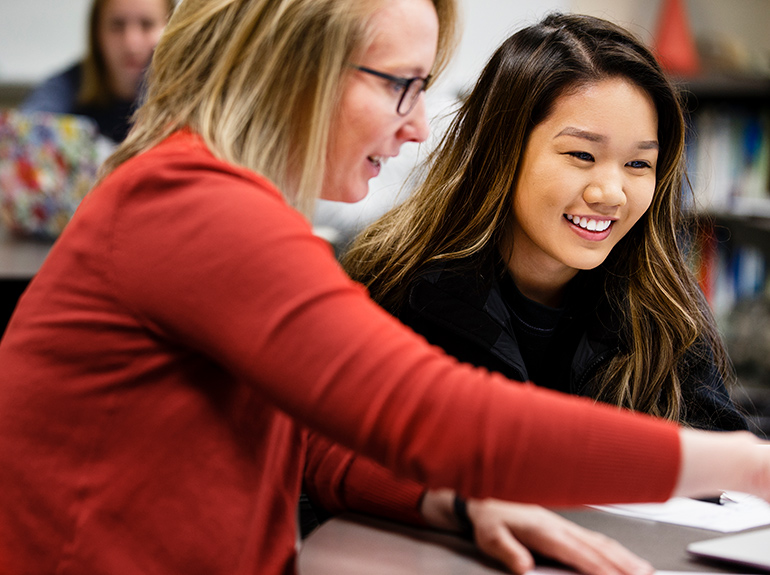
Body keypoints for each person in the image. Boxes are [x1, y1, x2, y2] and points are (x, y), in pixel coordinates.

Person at [0, 2, 768, 575]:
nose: (414, 128)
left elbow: (315, 438)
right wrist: (743, 464)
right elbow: (440, 417)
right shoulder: (197, 209)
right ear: (295, 66)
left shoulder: (216, 201)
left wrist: (450, 499)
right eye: (401, 85)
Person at [305, 12, 750, 573]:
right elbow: (325, 470)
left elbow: (727, 482)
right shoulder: (395, 287)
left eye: (639, 163)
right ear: (502, 150)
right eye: (581, 155)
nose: (610, 191)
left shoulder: (661, 306)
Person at [20, 0, 174, 142]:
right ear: (97, 32)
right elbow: (28, 131)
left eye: (147, 24)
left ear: (172, 29)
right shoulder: (66, 86)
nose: (131, 44)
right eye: (117, 25)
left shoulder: (184, 96)